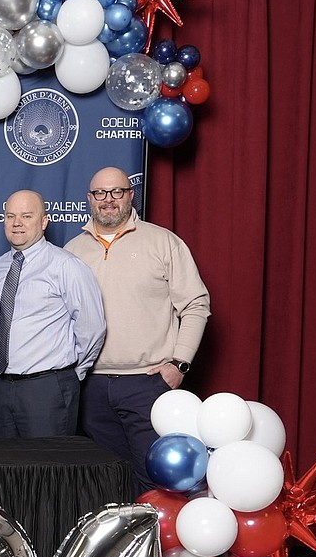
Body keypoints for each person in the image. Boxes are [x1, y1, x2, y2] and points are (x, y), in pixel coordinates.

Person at [65, 166, 210, 492]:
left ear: (131, 195)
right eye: (100, 193)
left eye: (117, 192)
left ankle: (152, 544)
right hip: (92, 386)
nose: (108, 200)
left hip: (147, 383)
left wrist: (179, 363)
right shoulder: (73, 251)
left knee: (153, 478)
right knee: (106, 482)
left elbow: (196, 304)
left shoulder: (163, 242)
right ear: (90, 199)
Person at [0, 189, 105, 438]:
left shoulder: (65, 266)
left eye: (27, 216)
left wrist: (71, 373)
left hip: (47, 388)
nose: (17, 223)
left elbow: (92, 327)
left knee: (48, 472)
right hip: (3, 387)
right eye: (10, 216)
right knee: (2, 470)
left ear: (43, 222)